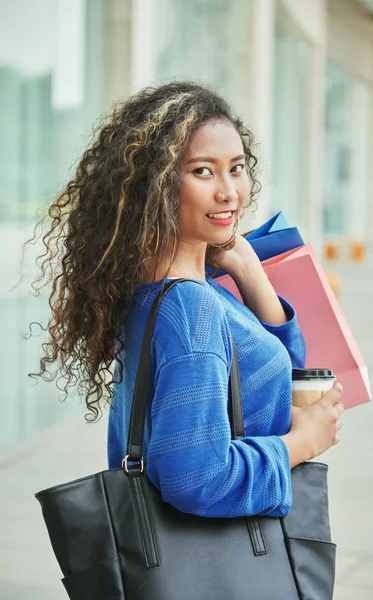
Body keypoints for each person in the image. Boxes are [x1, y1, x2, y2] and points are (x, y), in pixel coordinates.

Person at [30, 81, 344, 518]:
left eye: (236, 168)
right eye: (202, 171)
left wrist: (248, 270)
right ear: (154, 186)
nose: (228, 192)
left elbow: (272, 385)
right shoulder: (189, 308)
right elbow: (196, 479)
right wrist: (303, 442)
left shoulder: (165, 290)